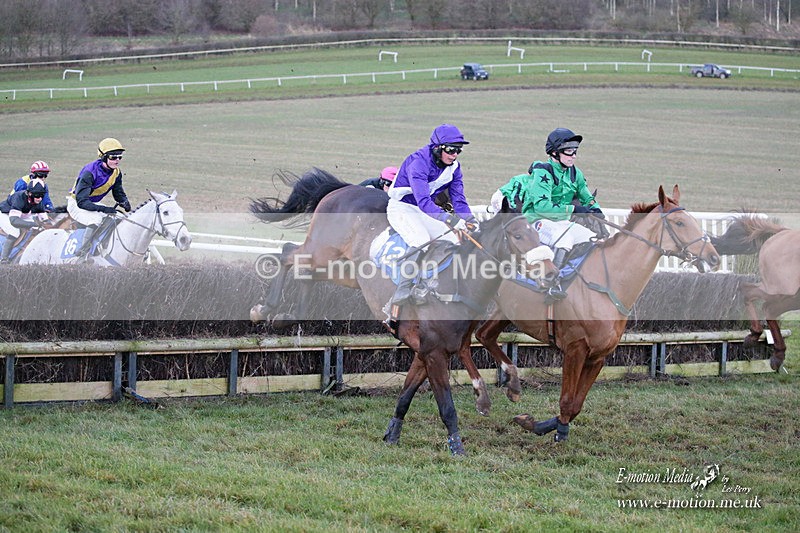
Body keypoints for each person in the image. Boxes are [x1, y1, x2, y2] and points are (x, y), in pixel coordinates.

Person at [492, 128, 606, 299]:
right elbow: (543, 207)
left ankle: (578, 278)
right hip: (536, 220)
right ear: (554, 152)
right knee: (565, 239)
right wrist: (574, 209)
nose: (573, 156)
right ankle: (552, 283)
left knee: (590, 238)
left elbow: (586, 197)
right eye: (568, 151)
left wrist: (596, 210)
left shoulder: (575, 173)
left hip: (561, 221)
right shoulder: (543, 172)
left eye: (575, 151)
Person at [386, 124, 478, 305]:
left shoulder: (454, 168)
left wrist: (469, 218)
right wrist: (450, 219)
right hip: (403, 208)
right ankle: (402, 290)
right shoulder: (418, 163)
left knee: (453, 240)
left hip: (424, 211)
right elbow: (424, 202)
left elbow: (458, 199)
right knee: (420, 240)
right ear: (437, 148)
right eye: (451, 149)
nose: (455, 155)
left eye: (458, 151)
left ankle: (427, 283)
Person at [67, 137, 132, 261]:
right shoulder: (89, 173)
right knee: (96, 219)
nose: (117, 160)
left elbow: (118, 193)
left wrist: (124, 201)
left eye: (120, 157)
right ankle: (82, 254)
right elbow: (82, 202)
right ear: (103, 157)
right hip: (77, 203)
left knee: (120, 217)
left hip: (92, 203)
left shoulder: (117, 172)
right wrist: (104, 209)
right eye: (113, 157)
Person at [0, 179, 48, 263]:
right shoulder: (19, 198)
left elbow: (44, 218)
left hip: (21, 215)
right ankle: (4, 258)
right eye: (37, 195)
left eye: (42, 195)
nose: (39, 198)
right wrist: (32, 224)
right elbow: (14, 221)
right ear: (29, 193)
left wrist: (47, 224)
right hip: (6, 215)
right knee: (14, 232)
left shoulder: (37, 200)